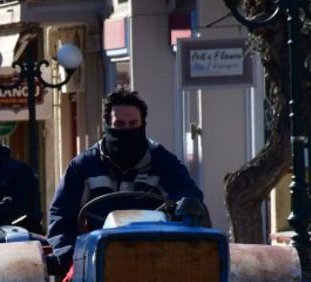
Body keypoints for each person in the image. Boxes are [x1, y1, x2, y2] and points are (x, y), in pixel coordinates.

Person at [47, 89, 204, 270]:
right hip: (97, 262)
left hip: (156, 259)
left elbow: (188, 200)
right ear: (107, 125)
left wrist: (185, 208)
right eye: (120, 125)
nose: (127, 130)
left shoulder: (164, 164)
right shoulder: (83, 166)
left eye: (133, 124)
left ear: (143, 124)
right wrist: (70, 258)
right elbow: (61, 215)